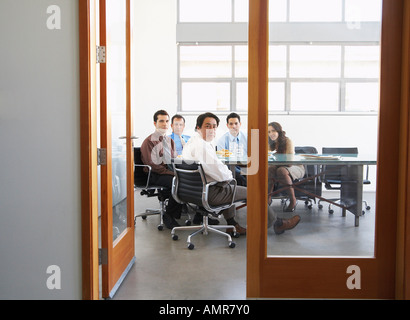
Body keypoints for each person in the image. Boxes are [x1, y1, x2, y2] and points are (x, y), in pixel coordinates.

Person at [183, 112, 300, 235]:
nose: (212, 130)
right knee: (252, 192)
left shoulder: (192, 142)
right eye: (207, 126)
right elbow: (221, 174)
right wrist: (229, 176)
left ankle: (232, 225)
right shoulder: (203, 147)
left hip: (192, 192)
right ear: (198, 127)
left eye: (214, 126)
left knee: (228, 185)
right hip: (209, 193)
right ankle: (278, 224)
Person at [140, 109, 183, 229]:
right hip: (154, 175)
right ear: (155, 123)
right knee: (177, 182)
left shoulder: (170, 141)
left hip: (168, 173)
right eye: (161, 121)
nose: (165, 124)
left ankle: (177, 213)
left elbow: (174, 161)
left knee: (186, 180)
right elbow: (153, 165)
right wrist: (173, 173)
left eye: (167, 121)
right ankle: (169, 215)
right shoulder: (149, 141)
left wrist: (179, 171)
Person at [267, 122, 305, 212]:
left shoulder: (288, 141)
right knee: (271, 169)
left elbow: (289, 163)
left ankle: (293, 200)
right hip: (278, 167)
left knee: (281, 171)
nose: (271, 134)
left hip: (295, 167)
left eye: (273, 131)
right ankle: (267, 198)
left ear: (279, 131)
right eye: (268, 132)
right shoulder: (270, 143)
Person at [216, 112, 247, 186]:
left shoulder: (247, 138)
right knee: (241, 175)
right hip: (231, 167)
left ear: (240, 124)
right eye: (231, 124)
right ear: (227, 125)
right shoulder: (222, 140)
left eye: (236, 123)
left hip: (246, 165)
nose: (234, 126)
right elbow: (221, 160)